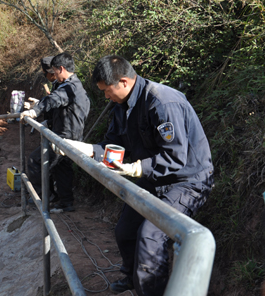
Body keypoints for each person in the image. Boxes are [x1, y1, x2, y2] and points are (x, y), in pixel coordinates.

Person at [56, 55, 214, 295]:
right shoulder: (122, 107)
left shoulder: (162, 102)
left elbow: (175, 157)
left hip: (186, 181)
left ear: (124, 81)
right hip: (155, 177)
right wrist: (85, 149)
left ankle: (150, 291)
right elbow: (113, 146)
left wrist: (136, 168)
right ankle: (132, 278)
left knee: (150, 236)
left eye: (107, 91)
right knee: (125, 232)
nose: (106, 96)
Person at [21, 52, 90, 212]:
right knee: (62, 168)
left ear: (61, 69)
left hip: (64, 138)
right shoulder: (74, 85)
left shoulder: (69, 88)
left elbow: (54, 99)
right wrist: (48, 119)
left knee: (35, 161)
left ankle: (45, 198)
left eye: (54, 71)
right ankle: (66, 202)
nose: (53, 75)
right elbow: (61, 108)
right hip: (70, 136)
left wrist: (35, 111)